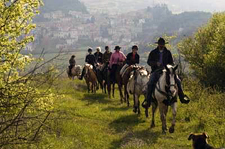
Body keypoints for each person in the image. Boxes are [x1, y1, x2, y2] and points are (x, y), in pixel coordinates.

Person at [142, 37, 190, 108]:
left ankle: (182, 97)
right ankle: (148, 101)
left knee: (178, 81)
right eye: (160, 44)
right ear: (158, 45)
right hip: (156, 70)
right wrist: (155, 63)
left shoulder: (168, 52)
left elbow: (172, 62)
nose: (161, 46)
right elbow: (149, 62)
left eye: (162, 44)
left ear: (164, 45)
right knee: (150, 82)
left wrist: (169, 66)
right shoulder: (153, 52)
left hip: (167, 70)